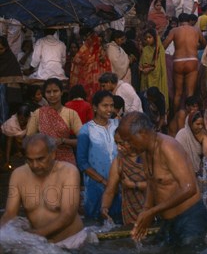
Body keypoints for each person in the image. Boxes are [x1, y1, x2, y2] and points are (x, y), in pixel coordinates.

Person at [118, 112, 207, 246]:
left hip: (191, 217)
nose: (127, 145)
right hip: (169, 220)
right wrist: (146, 210)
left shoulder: (168, 147)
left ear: (142, 133)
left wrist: (153, 211)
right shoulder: (144, 151)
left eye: (129, 140)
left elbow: (190, 188)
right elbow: (152, 182)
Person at [1, 134, 95, 249]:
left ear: (53, 154)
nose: (35, 165)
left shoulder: (68, 172)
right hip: (39, 244)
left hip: (72, 242)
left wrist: (35, 235)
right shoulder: (18, 175)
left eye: (40, 159)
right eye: (30, 160)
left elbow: (67, 215)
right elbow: (10, 214)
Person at [76, 91, 120, 221]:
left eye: (111, 106)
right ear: (95, 107)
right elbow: (82, 162)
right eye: (104, 105)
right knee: (95, 222)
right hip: (96, 184)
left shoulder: (118, 125)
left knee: (118, 220)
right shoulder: (86, 130)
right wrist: (104, 181)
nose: (109, 109)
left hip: (119, 184)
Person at [26, 78, 82, 164]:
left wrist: (63, 141)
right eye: (48, 92)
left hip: (66, 161)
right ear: (44, 94)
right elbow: (29, 139)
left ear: (62, 92)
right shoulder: (38, 113)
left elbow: (83, 140)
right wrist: (42, 143)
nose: (52, 95)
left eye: (55, 91)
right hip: (43, 161)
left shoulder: (71, 114)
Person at [100, 131, 146, 226]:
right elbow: (110, 190)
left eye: (121, 143)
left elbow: (158, 185)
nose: (118, 147)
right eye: (116, 143)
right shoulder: (119, 161)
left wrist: (133, 185)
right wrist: (104, 207)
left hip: (153, 213)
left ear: (132, 141)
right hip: (130, 215)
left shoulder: (148, 157)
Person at [164, 13, 206, 108]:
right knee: (190, 93)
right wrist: (195, 47)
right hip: (192, 60)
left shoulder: (174, 30)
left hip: (178, 61)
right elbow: (204, 44)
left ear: (179, 22)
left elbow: (164, 45)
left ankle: (176, 117)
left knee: (178, 93)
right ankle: (189, 118)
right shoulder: (196, 30)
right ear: (189, 21)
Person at [69, 27, 112, 101]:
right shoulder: (97, 46)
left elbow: (77, 60)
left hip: (90, 78)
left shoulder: (88, 46)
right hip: (95, 78)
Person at [175, 110, 207, 176]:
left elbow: (206, 151)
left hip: (197, 172)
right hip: (182, 170)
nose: (200, 127)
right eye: (197, 124)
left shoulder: (203, 136)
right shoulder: (182, 134)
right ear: (190, 124)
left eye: (202, 124)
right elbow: (177, 154)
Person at [140, 28, 169, 111]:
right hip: (146, 77)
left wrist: (150, 69)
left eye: (150, 37)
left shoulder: (159, 50)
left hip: (156, 77)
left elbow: (160, 66)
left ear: (155, 38)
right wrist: (142, 69)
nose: (148, 40)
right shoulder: (145, 49)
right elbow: (141, 63)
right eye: (146, 38)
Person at [1, 105, 30, 169]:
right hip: (15, 144)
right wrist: (7, 160)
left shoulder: (33, 120)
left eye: (23, 119)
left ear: (28, 117)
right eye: (19, 119)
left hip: (27, 143)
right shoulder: (11, 123)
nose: (21, 121)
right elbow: (9, 142)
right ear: (17, 116)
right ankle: (17, 152)